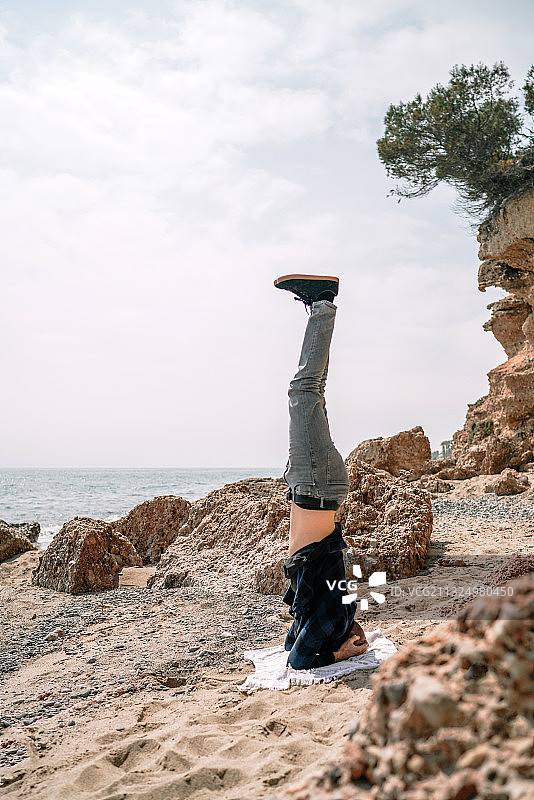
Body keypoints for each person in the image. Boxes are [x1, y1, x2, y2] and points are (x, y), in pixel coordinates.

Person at [275, 274, 368, 670]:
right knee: (304, 391)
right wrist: (341, 653)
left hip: (308, 484)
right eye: (363, 640)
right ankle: (323, 302)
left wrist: (341, 642)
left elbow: (290, 646)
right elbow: (301, 660)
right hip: (316, 483)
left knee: (309, 391)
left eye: (359, 641)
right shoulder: (335, 615)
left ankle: (320, 306)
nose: (362, 639)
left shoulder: (329, 617)